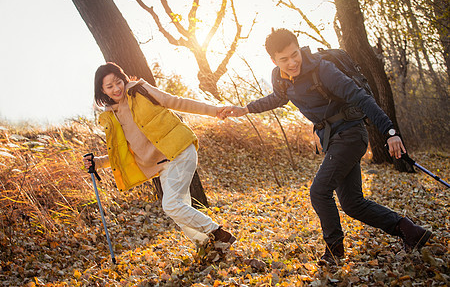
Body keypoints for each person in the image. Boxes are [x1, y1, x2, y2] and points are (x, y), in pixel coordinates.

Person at [223, 28, 432, 265]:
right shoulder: (280, 77)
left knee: (319, 192)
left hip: (351, 135)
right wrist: (246, 109)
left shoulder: (323, 69)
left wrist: (390, 131)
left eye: (295, 54)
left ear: (298, 47)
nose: (292, 63)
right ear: (274, 60)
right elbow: (277, 98)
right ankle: (411, 231)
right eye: (284, 60)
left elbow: (361, 97)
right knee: (352, 204)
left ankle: (334, 252)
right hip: (333, 140)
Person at [83, 62, 235, 252]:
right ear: (102, 90)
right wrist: (98, 163)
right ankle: (209, 247)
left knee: (171, 205)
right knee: (180, 210)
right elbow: (123, 151)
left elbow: (176, 101)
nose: (116, 88)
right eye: (109, 86)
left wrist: (214, 111)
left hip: (179, 149)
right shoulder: (112, 117)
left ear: (123, 79)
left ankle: (217, 233)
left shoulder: (140, 91)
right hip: (162, 166)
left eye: (118, 82)